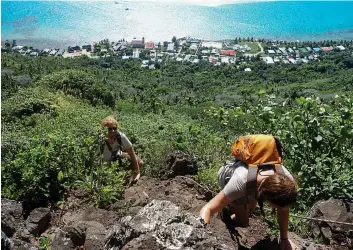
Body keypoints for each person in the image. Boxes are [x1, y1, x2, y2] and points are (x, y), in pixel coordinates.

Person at [199, 135, 299, 250]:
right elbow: (207, 209)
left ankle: (240, 206)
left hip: (254, 184)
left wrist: (284, 239)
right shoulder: (240, 182)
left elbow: (283, 209)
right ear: (264, 196)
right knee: (243, 222)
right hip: (228, 174)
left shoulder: (287, 181)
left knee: (249, 212)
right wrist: (201, 239)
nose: (279, 209)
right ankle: (228, 207)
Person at [101, 115, 143, 182]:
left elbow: (131, 153)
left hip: (118, 159)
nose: (113, 131)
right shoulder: (100, 140)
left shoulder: (120, 136)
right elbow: (94, 159)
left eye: (114, 128)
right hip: (106, 167)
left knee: (140, 163)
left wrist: (137, 172)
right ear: (104, 130)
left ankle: (129, 177)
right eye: (109, 129)